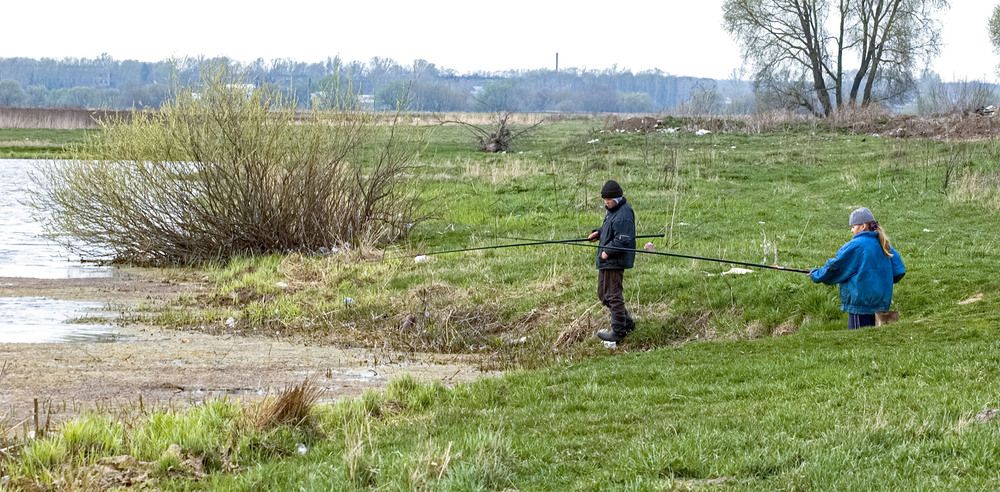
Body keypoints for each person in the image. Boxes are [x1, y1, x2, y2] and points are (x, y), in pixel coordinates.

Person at [810, 207, 906, 329]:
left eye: (853, 226)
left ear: (863, 226)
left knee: (858, 342)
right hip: (882, 305)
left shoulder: (856, 245)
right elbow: (899, 271)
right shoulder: (884, 244)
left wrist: (816, 274)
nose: (851, 230)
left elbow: (835, 268)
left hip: (860, 306)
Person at [587, 180, 637, 342]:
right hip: (607, 261)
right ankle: (627, 322)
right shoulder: (613, 211)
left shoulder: (624, 215)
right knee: (603, 294)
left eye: (608, 200)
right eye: (604, 200)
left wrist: (607, 251)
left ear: (616, 198)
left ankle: (618, 331)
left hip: (615, 260)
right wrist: (598, 233)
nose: (605, 203)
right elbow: (611, 230)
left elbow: (623, 239)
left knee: (613, 295)